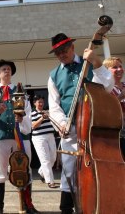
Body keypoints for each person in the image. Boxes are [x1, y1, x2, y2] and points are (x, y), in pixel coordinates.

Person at [47, 33, 113, 214]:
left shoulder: (89, 64)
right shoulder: (53, 75)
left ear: (72, 47)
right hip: (71, 129)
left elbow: (107, 86)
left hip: (93, 126)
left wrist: (97, 63)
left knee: (95, 171)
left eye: (64, 50)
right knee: (68, 172)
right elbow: (54, 105)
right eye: (57, 52)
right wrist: (62, 124)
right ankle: (66, 208)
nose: (61, 54)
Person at [0, 59, 38, 214]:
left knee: (25, 169)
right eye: (3, 69)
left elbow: (29, 113)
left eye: (9, 69)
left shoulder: (20, 91)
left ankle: (27, 205)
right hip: (0, 135)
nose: (7, 70)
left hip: (21, 136)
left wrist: (22, 119)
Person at [30, 95, 58, 189]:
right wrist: (42, 118)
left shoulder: (48, 112)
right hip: (39, 138)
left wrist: (49, 116)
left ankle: (42, 172)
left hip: (50, 136)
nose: (41, 104)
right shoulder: (32, 114)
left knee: (53, 158)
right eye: (39, 102)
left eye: (42, 102)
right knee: (45, 159)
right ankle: (50, 181)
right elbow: (33, 126)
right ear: (35, 103)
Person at [103, 56, 125, 155]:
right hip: (117, 134)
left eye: (120, 66)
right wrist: (121, 96)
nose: (119, 69)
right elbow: (105, 109)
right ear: (106, 71)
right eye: (115, 67)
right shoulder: (105, 90)